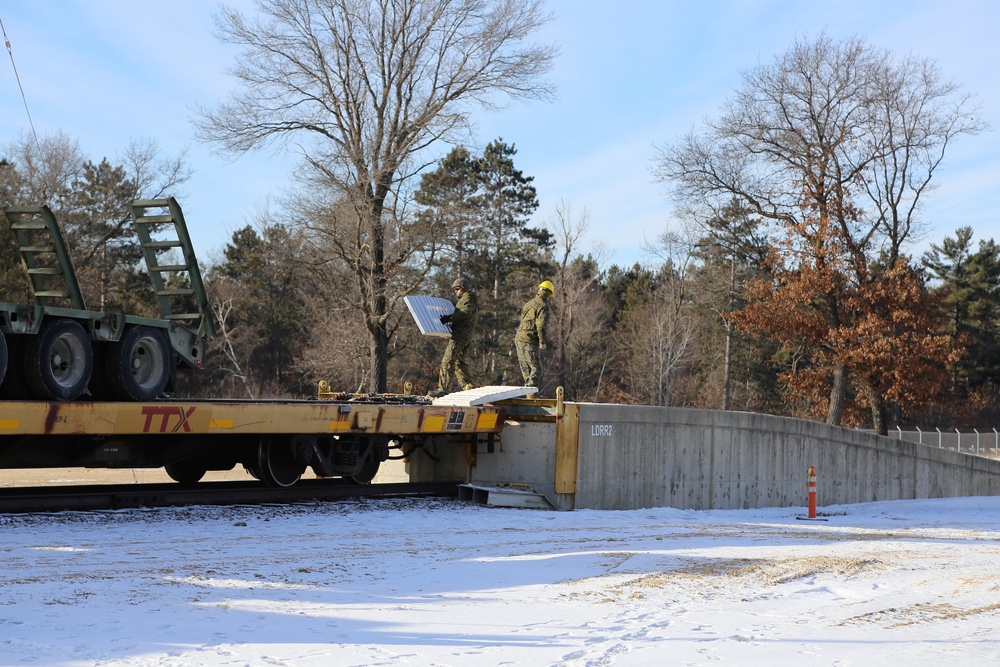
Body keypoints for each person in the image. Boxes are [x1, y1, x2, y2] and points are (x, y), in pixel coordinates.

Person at [432, 277, 478, 396]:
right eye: (454, 290)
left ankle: (442, 389)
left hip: (460, 336)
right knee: (459, 362)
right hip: (465, 336)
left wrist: (450, 318)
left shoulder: (467, 299)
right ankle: (468, 386)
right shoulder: (469, 299)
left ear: (463, 289)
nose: (455, 292)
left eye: (457, 289)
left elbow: (464, 311)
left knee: (448, 361)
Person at [515, 280, 553, 395]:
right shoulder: (543, 306)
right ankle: (530, 394)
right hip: (529, 340)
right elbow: (541, 326)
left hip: (519, 338)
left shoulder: (529, 303)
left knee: (526, 369)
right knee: (537, 369)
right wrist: (542, 341)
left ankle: (527, 393)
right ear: (549, 294)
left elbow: (522, 318)